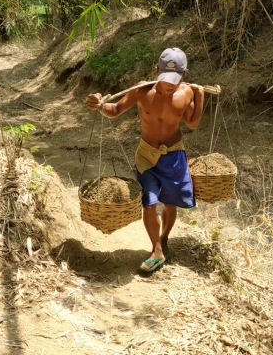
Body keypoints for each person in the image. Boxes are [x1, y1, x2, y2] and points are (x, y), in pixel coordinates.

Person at [86, 47, 205, 272]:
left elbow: (192, 123)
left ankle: (165, 239)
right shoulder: (141, 91)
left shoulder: (187, 92)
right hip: (147, 157)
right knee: (149, 204)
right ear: (155, 71)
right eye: (165, 78)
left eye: (176, 80)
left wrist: (200, 97)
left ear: (185, 75)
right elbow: (115, 109)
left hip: (174, 156)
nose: (170, 85)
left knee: (170, 203)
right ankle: (156, 249)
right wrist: (100, 105)